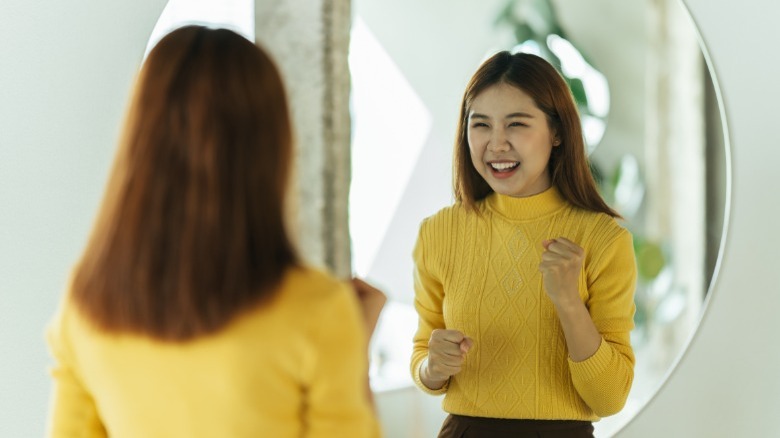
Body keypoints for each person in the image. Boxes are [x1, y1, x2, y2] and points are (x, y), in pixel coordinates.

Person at [45, 25, 384, 437]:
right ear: (273, 149)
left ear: (139, 141)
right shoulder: (318, 312)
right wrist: (352, 352)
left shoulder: (87, 305)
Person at [410, 51, 637, 438]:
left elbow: (609, 398)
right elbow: (423, 357)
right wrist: (432, 367)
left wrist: (568, 302)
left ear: (557, 132)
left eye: (516, 124)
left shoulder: (603, 239)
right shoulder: (439, 233)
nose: (496, 144)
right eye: (480, 125)